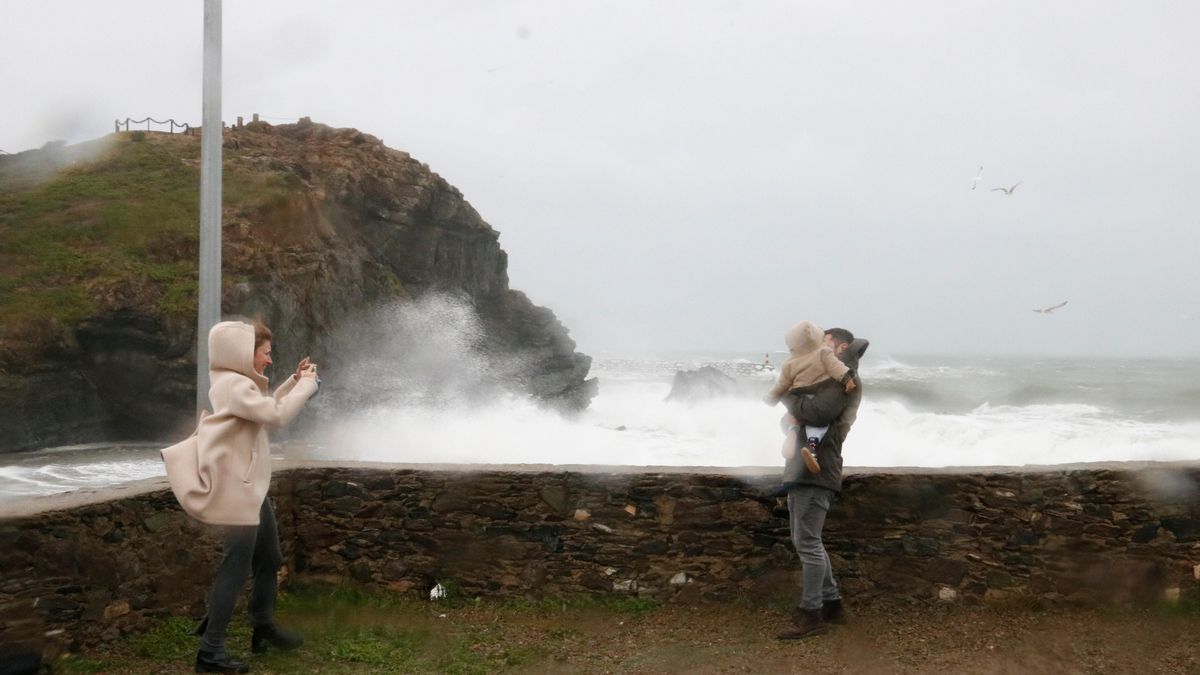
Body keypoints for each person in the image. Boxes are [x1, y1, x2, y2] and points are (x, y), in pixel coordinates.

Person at [161, 320, 319, 673]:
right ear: (242, 355)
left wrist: (293, 382)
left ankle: (262, 627)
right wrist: (308, 386)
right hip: (237, 491)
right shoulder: (234, 385)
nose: (268, 360)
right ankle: (210, 651)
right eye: (265, 353)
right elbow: (276, 416)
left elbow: (262, 411)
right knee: (235, 567)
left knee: (270, 557)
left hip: (249, 488)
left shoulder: (237, 385)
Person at [775, 327, 869, 641]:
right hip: (803, 469)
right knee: (807, 541)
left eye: (825, 344)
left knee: (808, 544)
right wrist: (791, 418)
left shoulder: (844, 380)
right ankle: (831, 604)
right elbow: (795, 418)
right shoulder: (821, 378)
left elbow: (819, 411)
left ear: (840, 347)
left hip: (817, 470)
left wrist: (786, 392)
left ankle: (811, 614)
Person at [763, 321, 857, 474]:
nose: (823, 344)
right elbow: (836, 368)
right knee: (813, 427)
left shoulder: (789, 363)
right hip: (812, 392)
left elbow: (783, 385)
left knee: (806, 421)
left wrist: (775, 397)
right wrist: (847, 378)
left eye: (825, 341)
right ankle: (808, 444)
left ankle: (793, 431)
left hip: (815, 479)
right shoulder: (823, 354)